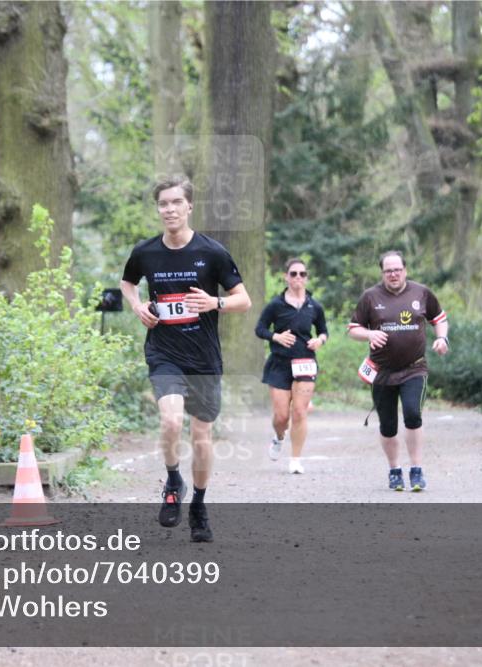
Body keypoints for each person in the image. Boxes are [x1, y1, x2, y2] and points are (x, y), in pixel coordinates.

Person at [120, 176, 251, 542]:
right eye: (163, 204)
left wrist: (215, 302)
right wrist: (137, 306)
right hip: (164, 353)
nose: (170, 209)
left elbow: (244, 299)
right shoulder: (146, 252)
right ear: (158, 209)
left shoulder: (212, 253)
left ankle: (199, 506)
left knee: (202, 436)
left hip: (204, 356)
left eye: (177, 202)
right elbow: (128, 283)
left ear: (189, 206)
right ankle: (173, 477)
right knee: (171, 422)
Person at [347, 251, 448, 491]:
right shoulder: (370, 297)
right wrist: (369, 333)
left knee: (413, 415)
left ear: (405, 270)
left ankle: (416, 469)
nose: (393, 274)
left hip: (414, 368)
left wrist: (442, 339)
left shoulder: (421, 293)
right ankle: (394, 470)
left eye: (397, 270)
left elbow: (440, 318)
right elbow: (352, 328)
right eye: (388, 271)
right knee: (388, 424)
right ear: (382, 273)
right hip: (382, 372)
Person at [254, 259, 328, 474]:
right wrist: (275, 336)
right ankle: (278, 437)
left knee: (299, 412)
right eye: (293, 274)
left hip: (305, 363)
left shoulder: (315, 306)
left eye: (302, 274)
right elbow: (260, 329)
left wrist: (320, 341)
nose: (298, 278)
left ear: (307, 277)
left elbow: (323, 330)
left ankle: (295, 460)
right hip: (280, 364)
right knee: (281, 417)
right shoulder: (276, 305)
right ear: (286, 277)